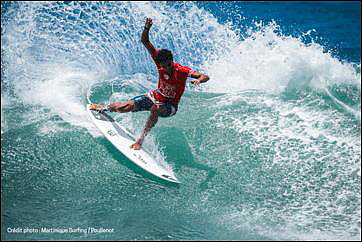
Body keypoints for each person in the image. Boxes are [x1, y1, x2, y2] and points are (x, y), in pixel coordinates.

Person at [90, 17, 209, 150]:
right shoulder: (159, 63)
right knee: (124, 107)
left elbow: (204, 76)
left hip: (170, 106)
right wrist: (146, 28)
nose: (166, 68)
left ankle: (140, 141)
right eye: (163, 66)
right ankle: (104, 107)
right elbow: (145, 41)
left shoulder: (180, 70)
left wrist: (198, 80)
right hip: (155, 96)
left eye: (169, 64)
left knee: (156, 109)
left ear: (172, 61)